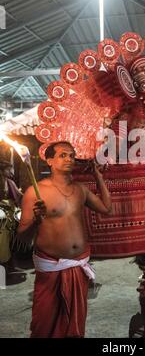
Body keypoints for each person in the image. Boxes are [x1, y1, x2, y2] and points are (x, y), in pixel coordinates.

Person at [18, 141, 112, 338]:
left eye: (71, 155)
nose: (69, 159)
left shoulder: (80, 190)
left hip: (78, 265)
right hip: (51, 267)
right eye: (63, 155)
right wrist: (36, 220)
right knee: (44, 324)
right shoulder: (36, 192)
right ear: (50, 160)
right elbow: (22, 239)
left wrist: (98, 177)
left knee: (75, 325)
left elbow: (106, 208)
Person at [0, 160, 23, 265]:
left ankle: (12, 256)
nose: (10, 171)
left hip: (10, 210)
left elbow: (18, 196)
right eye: (8, 169)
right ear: (2, 171)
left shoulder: (10, 182)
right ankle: (5, 260)